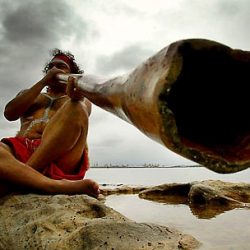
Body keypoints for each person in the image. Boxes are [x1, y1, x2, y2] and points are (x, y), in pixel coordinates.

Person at [0, 49, 100, 197]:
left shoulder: (79, 98)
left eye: (61, 66)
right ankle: (52, 186)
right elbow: (10, 113)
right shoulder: (31, 94)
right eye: (51, 67)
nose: (54, 69)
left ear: (71, 73)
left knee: (76, 107)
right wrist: (43, 82)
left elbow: (80, 114)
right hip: (20, 152)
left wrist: (75, 96)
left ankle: (22, 177)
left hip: (61, 155)